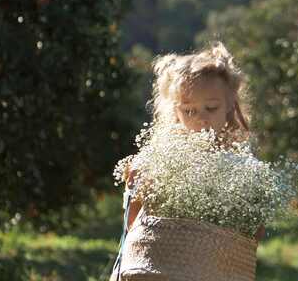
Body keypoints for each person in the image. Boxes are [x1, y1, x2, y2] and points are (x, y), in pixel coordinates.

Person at [111, 40, 264, 280]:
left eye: (211, 108)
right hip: (160, 267)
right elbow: (133, 223)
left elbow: (254, 231)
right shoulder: (161, 159)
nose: (201, 118)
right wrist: (140, 181)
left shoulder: (241, 165)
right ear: (175, 112)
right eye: (189, 111)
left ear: (230, 106)